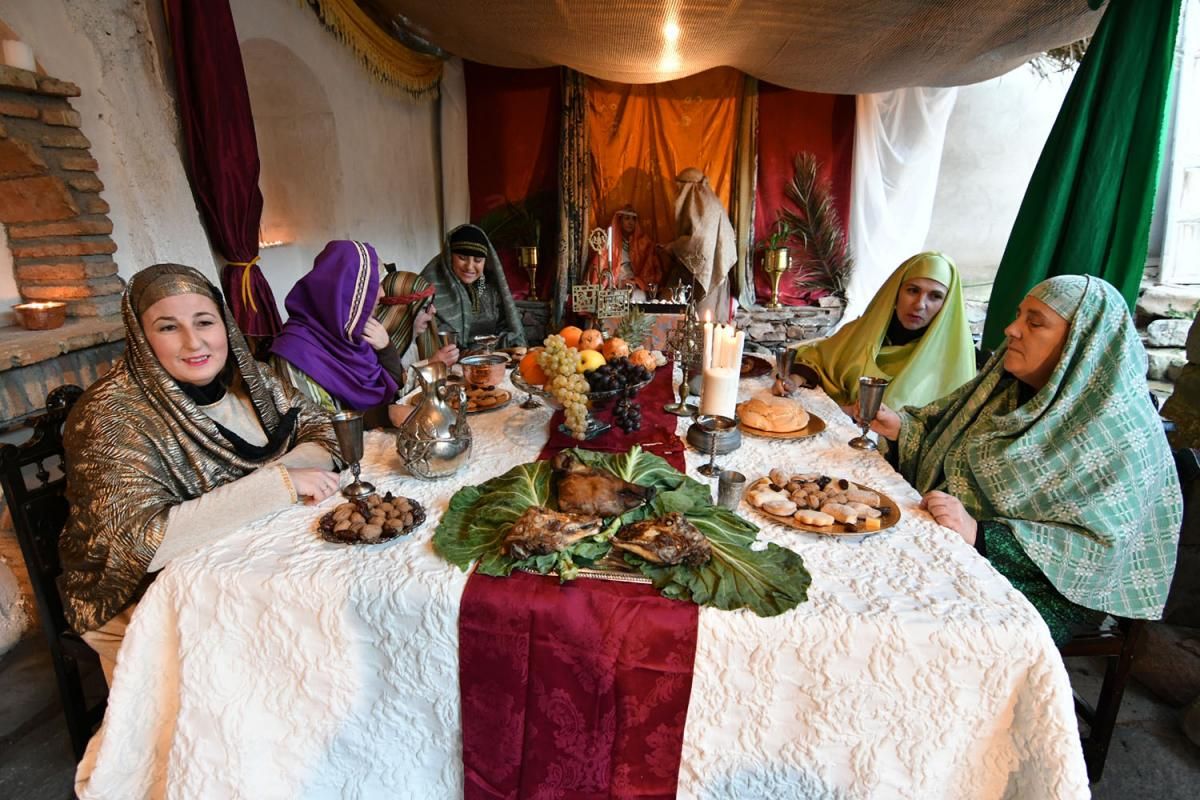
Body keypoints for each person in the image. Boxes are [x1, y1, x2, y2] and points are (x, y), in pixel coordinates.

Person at [59, 264, 341, 684]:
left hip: (242, 558)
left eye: (205, 322)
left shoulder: (251, 382)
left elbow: (324, 430)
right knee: (282, 657)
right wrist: (277, 484)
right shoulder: (112, 415)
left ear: (224, 325)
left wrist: (275, 479)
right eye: (168, 327)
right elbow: (142, 546)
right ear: (140, 335)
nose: (194, 342)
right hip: (142, 596)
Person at [867, 275, 1181, 644]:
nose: (1011, 329)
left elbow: (1098, 550)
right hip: (950, 540)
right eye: (1019, 316)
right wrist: (901, 429)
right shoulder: (1005, 388)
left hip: (1042, 590)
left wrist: (982, 534)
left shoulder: (1118, 432)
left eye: (1035, 323)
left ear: (1081, 341)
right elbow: (940, 427)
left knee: (897, 629)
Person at [792, 252, 975, 410]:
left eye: (935, 296)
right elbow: (818, 358)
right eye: (912, 290)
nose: (919, 305)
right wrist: (795, 379)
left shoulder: (950, 361)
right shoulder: (861, 332)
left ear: (946, 305)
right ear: (896, 292)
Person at [270, 240, 409, 427]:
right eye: (374, 285)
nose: (382, 294)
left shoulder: (351, 334)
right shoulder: (295, 354)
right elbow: (319, 428)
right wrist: (386, 415)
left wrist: (386, 349)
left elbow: (393, 388)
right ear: (345, 292)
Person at [420, 224, 527, 350]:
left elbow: (504, 326)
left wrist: (510, 346)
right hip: (444, 362)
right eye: (462, 258)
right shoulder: (427, 289)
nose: (469, 267)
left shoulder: (490, 288)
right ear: (449, 256)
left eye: (478, 260)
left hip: (490, 360)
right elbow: (430, 337)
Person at [664, 167, 736, 314]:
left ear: (689, 188)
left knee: (702, 320)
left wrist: (673, 246)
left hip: (705, 273)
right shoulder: (707, 201)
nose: (677, 194)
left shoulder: (703, 204)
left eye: (680, 188)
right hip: (708, 267)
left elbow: (698, 241)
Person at [375, 266, 460, 366]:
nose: (434, 311)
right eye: (424, 307)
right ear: (400, 313)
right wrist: (431, 363)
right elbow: (395, 380)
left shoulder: (414, 345)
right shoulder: (378, 350)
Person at [587, 205, 662, 298]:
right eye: (627, 218)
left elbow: (648, 269)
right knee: (615, 297)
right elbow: (601, 266)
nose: (631, 222)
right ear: (620, 221)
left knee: (639, 296)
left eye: (633, 219)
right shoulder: (609, 241)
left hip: (634, 283)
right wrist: (617, 282)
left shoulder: (643, 243)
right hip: (615, 282)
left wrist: (635, 281)